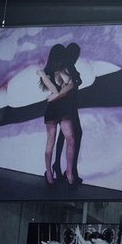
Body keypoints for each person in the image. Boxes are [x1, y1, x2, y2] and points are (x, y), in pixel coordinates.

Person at [37, 43, 83, 187]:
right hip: (54, 110)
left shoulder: (63, 70)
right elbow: (57, 89)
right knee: (52, 142)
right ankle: (50, 172)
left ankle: (68, 172)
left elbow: (71, 85)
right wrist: (45, 78)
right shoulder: (47, 72)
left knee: (70, 139)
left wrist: (55, 96)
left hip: (63, 109)